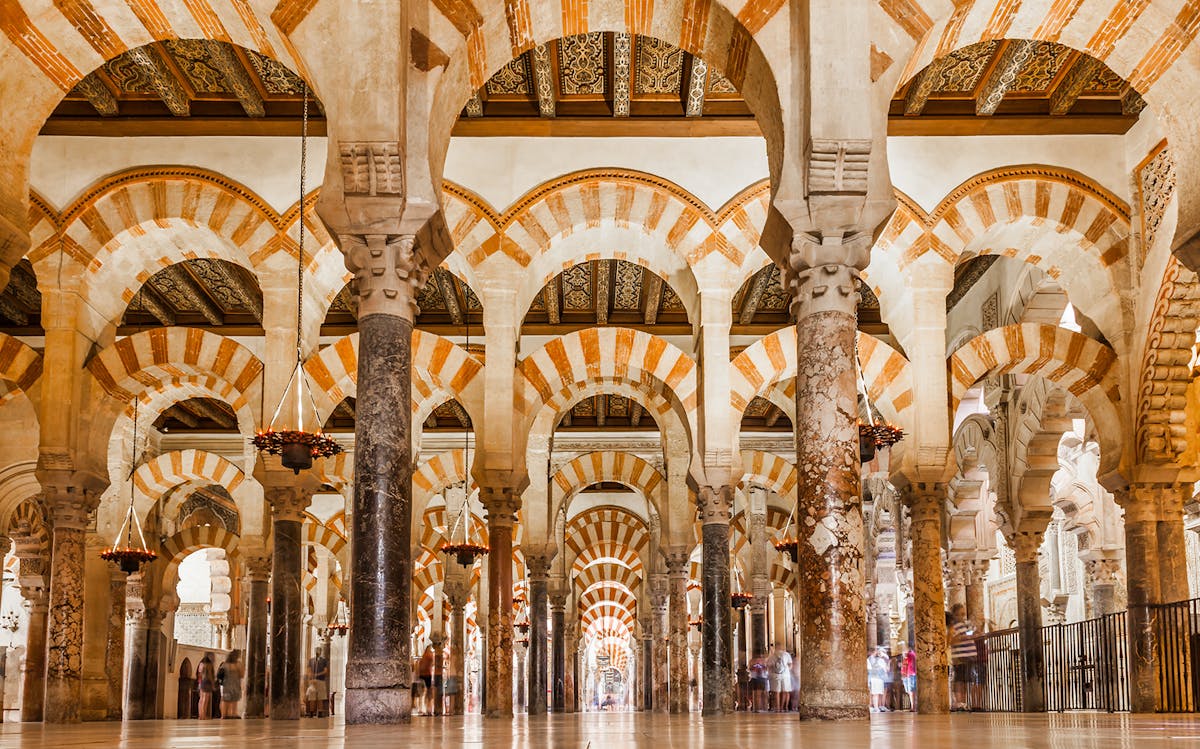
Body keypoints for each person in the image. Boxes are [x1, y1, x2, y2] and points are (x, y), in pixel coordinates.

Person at [949, 604, 976, 711]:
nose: (962, 616)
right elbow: (952, 640)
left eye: (963, 614)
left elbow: (973, 633)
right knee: (959, 681)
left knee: (965, 681)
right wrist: (965, 637)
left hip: (968, 657)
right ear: (954, 615)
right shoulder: (954, 627)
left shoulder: (965, 626)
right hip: (960, 657)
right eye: (960, 614)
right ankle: (959, 703)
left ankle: (963, 703)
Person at [766, 644, 793, 712]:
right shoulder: (786, 654)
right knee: (785, 691)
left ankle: (777, 708)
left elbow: (769, 667)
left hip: (775, 675)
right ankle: (783, 707)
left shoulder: (772, 656)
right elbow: (790, 665)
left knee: (776, 692)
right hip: (785, 675)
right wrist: (786, 670)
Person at [218, 650, 243, 718]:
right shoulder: (238, 665)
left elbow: (220, 675)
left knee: (226, 701)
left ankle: (224, 715)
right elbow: (242, 675)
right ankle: (233, 714)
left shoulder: (224, 665)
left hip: (226, 685)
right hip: (235, 685)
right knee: (233, 701)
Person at [307, 645, 330, 717]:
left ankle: (320, 713)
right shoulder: (311, 660)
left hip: (321, 680)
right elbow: (309, 670)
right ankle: (311, 713)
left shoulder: (324, 660)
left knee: (321, 697)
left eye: (319, 651)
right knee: (312, 697)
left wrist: (317, 674)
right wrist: (311, 676)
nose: (317, 652)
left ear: (320, 652)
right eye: (316, 651)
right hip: (313, 681)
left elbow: (326, 671)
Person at [867, 647, 889, 712]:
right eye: (876, 651)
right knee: (876, 694)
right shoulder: (879, 660)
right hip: (877, 678)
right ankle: (876, 707)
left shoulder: (868, 659)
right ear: (874, 652)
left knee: (873, 693)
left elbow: (868, 669)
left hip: (872, 677)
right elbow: (885, 669)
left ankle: (873, 706)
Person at [197, 654, 215, 720]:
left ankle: (200, 715)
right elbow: (210, 675)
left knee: (201, 699)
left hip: (201, 682)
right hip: (207, 683)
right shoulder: (209, 665)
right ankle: (204, 715)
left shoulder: (201, 664)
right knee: (205, 700)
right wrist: (213, 684)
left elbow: (199, 674)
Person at [899, 641, 917, 711]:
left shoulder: (911, 654)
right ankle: (913, 706)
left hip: (911, 674)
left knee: (911, 691)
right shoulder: (906, 654)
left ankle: (913, 706)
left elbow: (907, 658)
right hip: (906, 674)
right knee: (909, 691)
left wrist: (903, 644)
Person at [417, 645, 435, 715]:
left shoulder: (423, 657)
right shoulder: (429, 656)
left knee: (422, 693)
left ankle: (422, 709)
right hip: (427, 675)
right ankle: (428, 709)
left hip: (422, 676)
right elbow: (432, 663)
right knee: (428, 692)